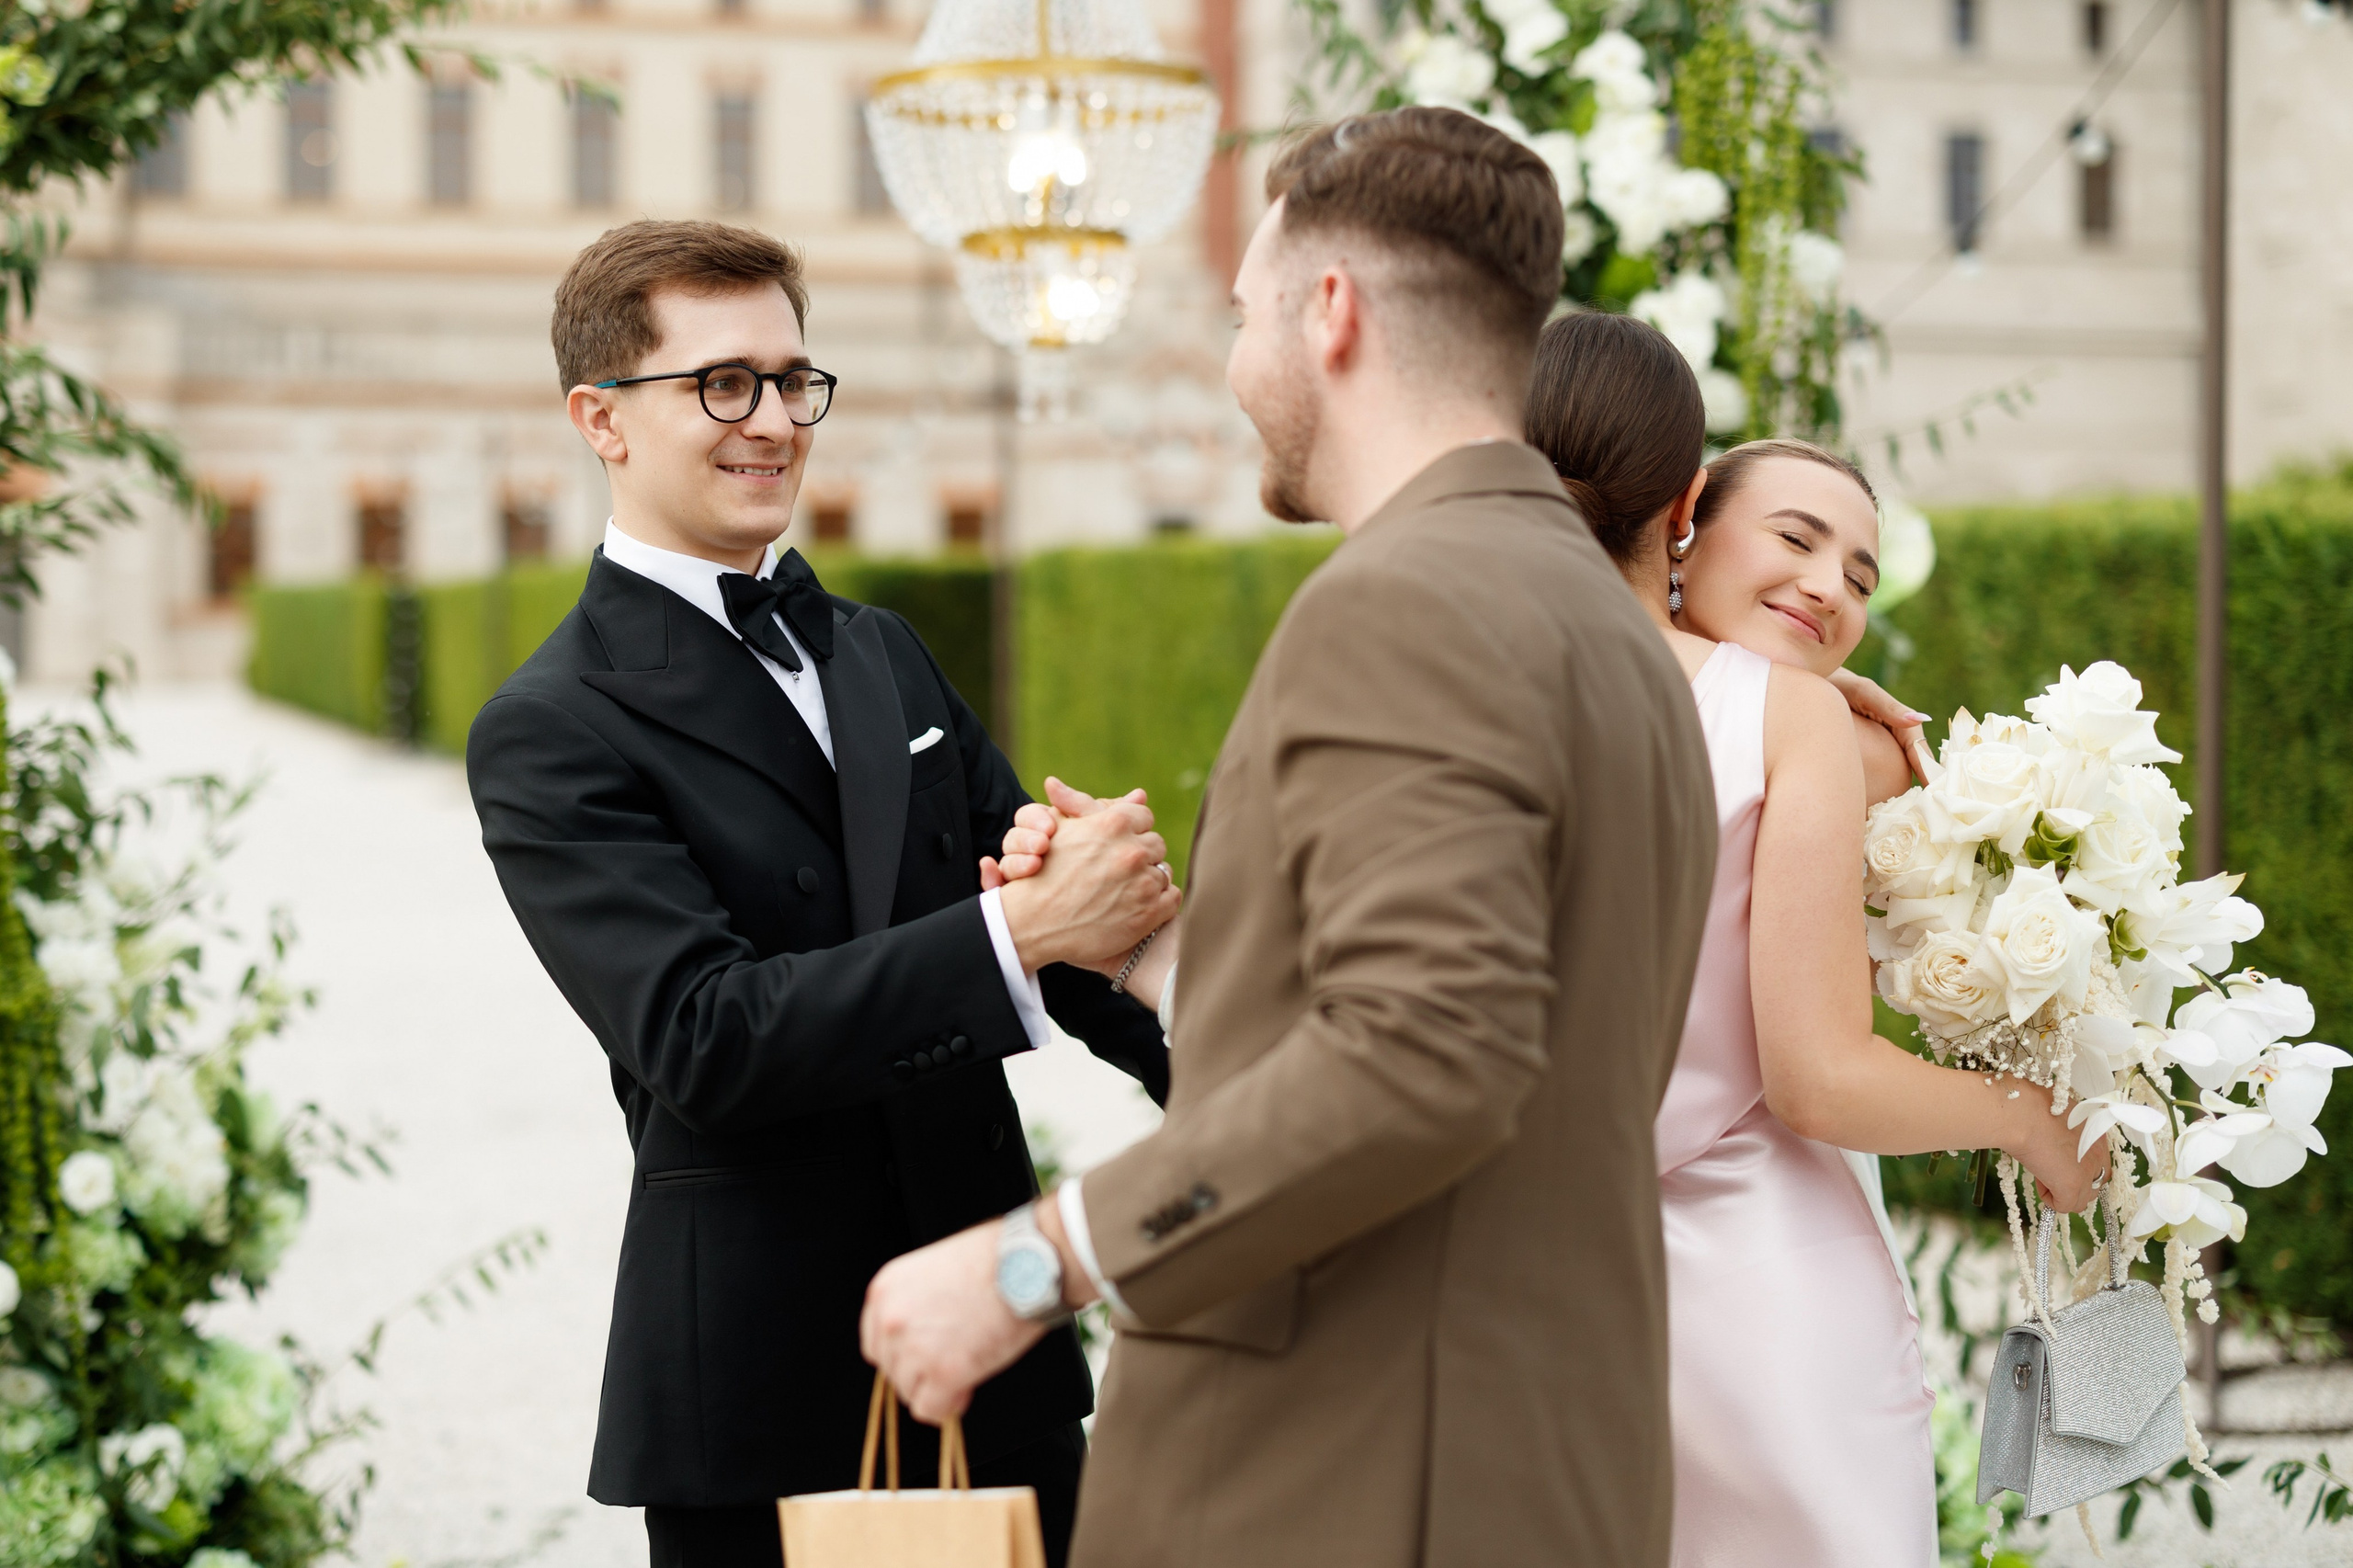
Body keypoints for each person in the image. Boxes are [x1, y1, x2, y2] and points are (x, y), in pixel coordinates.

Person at [858, 108, 1719, 1568]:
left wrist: (1034, 1260)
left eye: (1245, 312)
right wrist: (1164, 954)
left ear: (1331, 313)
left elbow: (1429, 1049)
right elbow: (1501, 1031)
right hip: (1528, 1461)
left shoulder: (1409, 599)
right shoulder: (1607, 625)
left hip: (1352, 1477)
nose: (1236, 361)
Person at [463, 219, 1177, 1568]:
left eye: (796, 380)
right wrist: (1018, 927)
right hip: (765, 1383)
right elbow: (704, 1035)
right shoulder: (549, 723)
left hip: (1003, 1352)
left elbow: (1058, 939)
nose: (777, 420)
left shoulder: (880, 651)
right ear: (599, 419)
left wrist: (1240, 1069)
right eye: (724, 383)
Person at [1524, 311, 2109, 1565]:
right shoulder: (1797, 727)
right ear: (1682, 518)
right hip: (1757, 1296)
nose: (1830, 583)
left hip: (1545, 1297)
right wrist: (2029, 1118)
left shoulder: (1494, 683)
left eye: (1860, 574)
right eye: (1796, 537)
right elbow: (1819, 1075)